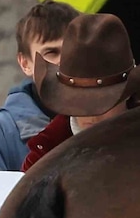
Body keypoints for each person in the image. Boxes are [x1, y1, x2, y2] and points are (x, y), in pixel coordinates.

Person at [22, 12, 140, 171]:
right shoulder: (44, 155)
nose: (91, 114)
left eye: (103, 102)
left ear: (127, 94)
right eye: (79, 101)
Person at [0, 0, 80, 171]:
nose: (64, 60)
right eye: (51, 52)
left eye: (72, 49)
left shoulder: (110, 121)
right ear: (25, 63)